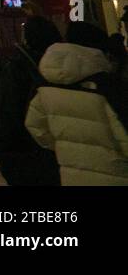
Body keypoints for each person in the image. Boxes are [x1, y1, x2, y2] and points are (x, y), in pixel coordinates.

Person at [26, 21, 128, 185]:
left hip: (72, 176)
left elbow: (35, 126)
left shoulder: (46, 87)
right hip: (116, 175)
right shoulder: (106, 87)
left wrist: (65, 145)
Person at [0, 16, 61, 185]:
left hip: (26, 154)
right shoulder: (60, 69)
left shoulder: (17, 68)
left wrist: (5, 156)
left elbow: (8, 116)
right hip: (49, 156)